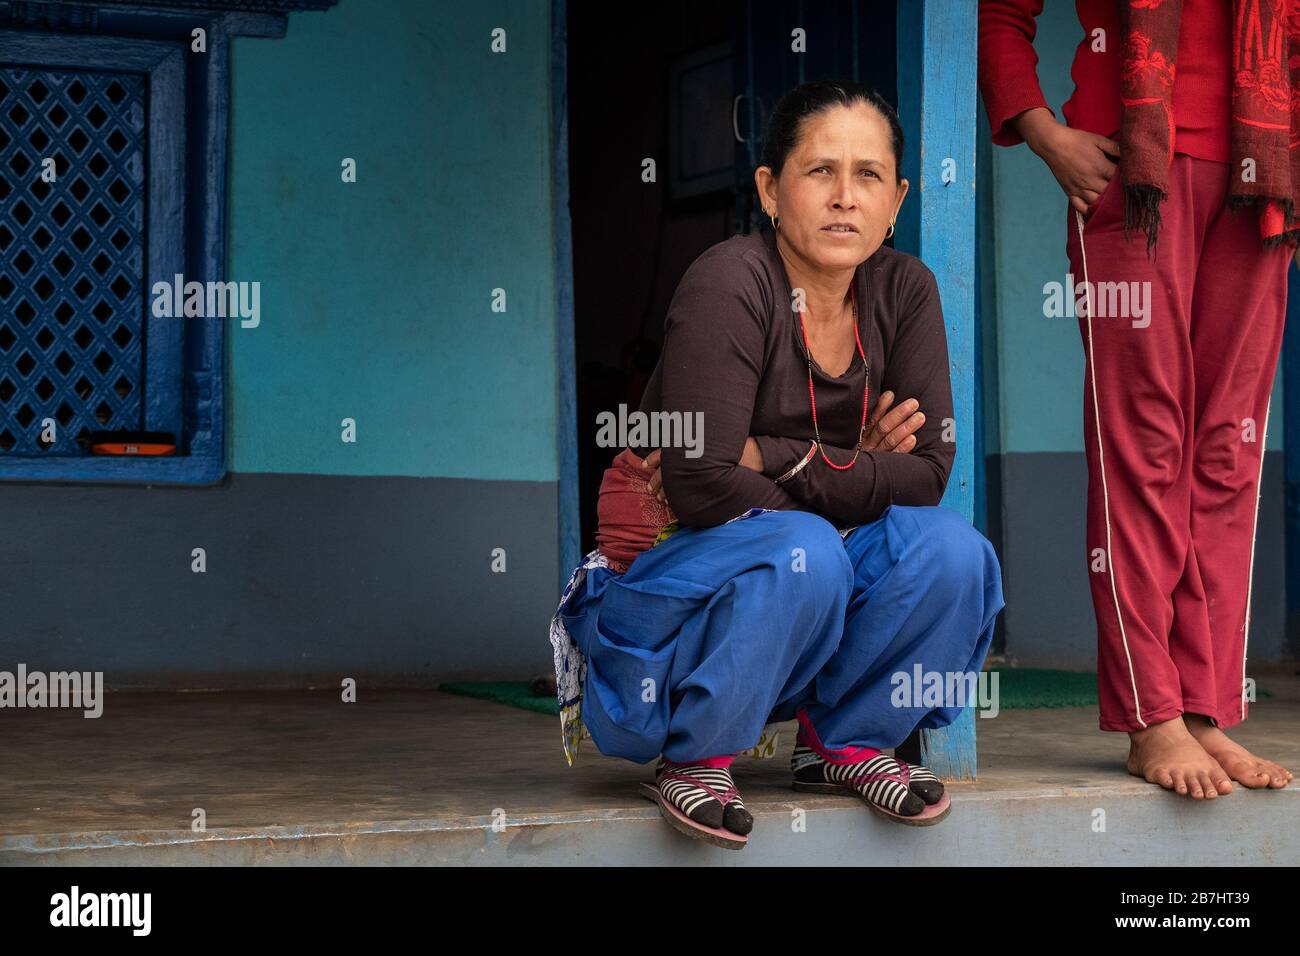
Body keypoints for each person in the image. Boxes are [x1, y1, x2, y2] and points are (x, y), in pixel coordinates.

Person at [547, 80, 1004, 846]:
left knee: (953, 550)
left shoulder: (905, 290)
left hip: (790, 557)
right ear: (769, 189)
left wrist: (777, 456)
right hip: (671, 585)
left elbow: (926, 474)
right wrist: (855, 468)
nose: (844, 198)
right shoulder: (730, 281)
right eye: (819, 170)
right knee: (807, 551)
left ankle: (845, 746)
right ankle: (695, 757)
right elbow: (699, 486)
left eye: (867, 176)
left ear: (896, 201)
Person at [979, 0, 1295, 798]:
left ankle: (1206, 706)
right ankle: (1151, 714)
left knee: (1228, 448)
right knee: (1145, 441)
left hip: (1267, 173)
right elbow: (999, 14)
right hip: (1136, 172)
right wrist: (1045, 134)